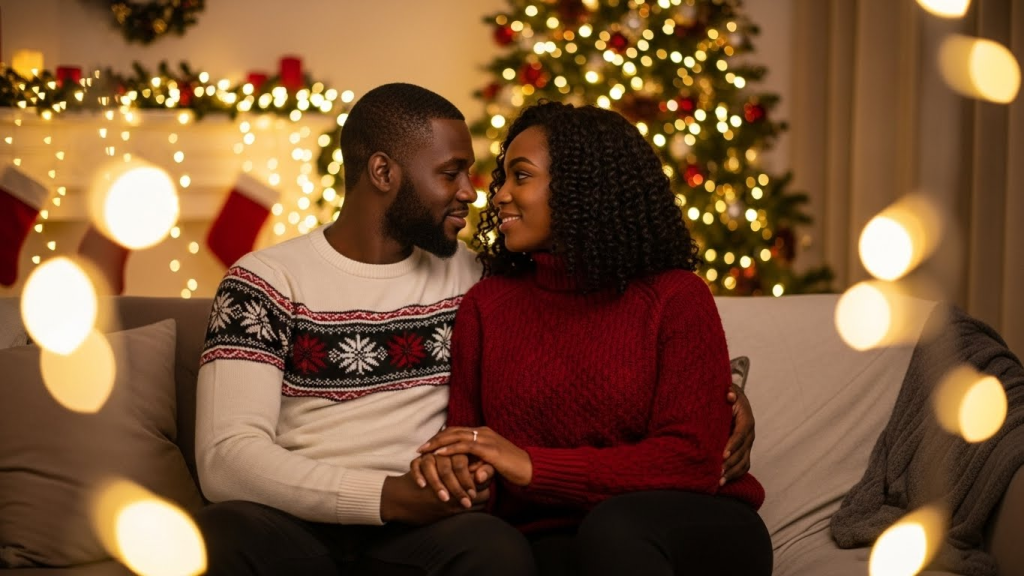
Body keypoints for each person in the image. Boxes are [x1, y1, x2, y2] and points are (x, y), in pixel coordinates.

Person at [193, 83, 756, 575]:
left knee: (496, 551)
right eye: (450, 173)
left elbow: (591, 321)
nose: (475, 191)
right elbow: (227, 458)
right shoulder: (265, 280)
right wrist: (389, 495)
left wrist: (726, 402)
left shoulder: (476, 277)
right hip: (299, 522)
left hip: (429, 529)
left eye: (482, 172)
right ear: (384, 172)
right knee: (220, 538)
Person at [411, 101, 773, 576]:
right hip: (560, 535)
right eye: (502, 178)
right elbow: (475, 444)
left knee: (614, 530)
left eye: (520, 176)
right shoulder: (487, 305)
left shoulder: (675, 297)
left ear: (584, 187)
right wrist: (466, 472)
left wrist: (532, 467)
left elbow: (691, 460)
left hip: (691, 527)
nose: (496, 196)